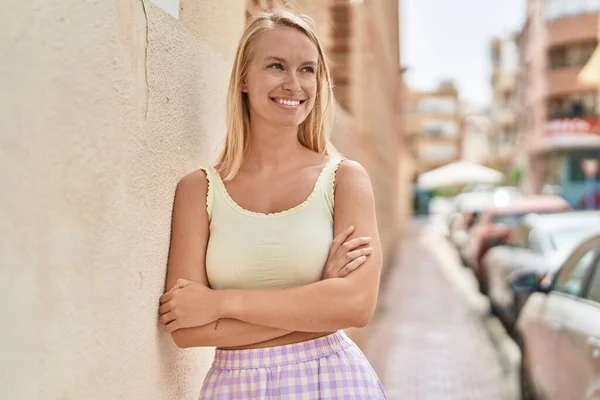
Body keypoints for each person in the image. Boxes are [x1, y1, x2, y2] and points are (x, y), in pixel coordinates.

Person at [158, 8, 387, 399]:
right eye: (277, 66)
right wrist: (319, 298)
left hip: (333, 380)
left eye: (308, 69)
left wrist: (220, 303)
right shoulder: (199, 191)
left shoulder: (345, 180)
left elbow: (356, 306)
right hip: (234, 386)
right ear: (244, 79)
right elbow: (185, 328)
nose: (294, 84)